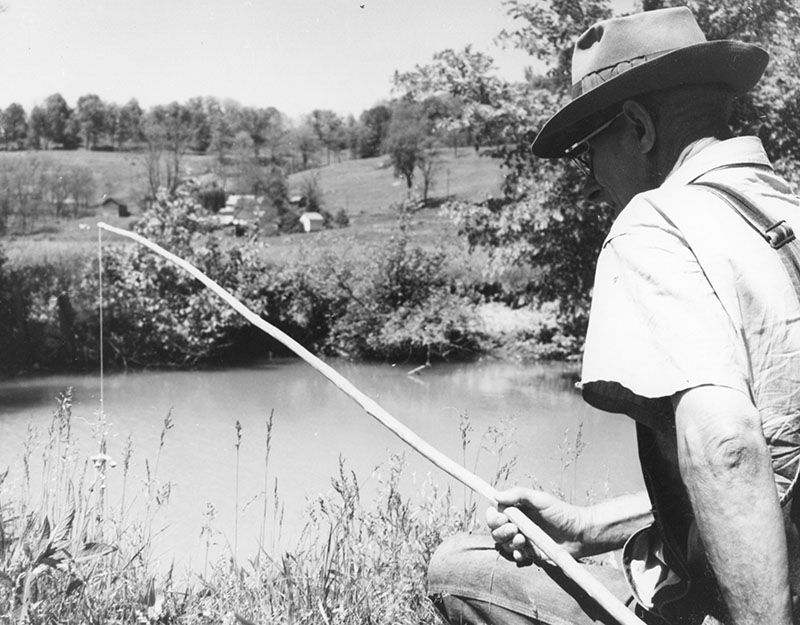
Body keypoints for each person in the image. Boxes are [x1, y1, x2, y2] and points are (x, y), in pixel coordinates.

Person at [428, 7, 800, 625]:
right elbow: (780, 459)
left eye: (586, 152)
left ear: (637, 125)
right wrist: (588, 525)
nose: (592, 178)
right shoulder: (786, 210)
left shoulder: (657, 223)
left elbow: (729, 448)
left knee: (460, 571)